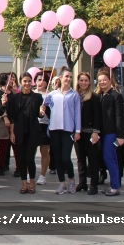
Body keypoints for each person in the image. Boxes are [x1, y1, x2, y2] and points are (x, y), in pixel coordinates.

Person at [42, 67, 81, 195]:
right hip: (54, 129)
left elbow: (77, 114)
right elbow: (43, 106)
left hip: (68, 130)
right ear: (60, 78)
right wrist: (42, 108)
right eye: (66, 77)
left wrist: (78, 131)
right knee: (57, 157)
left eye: (70, 77)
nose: (68, 79)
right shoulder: (52, 94)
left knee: (65, 157)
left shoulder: (74, 94)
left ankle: (71, 179)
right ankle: (62, 183)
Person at [8, 72, 44, 194]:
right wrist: (12, 133)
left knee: (29, 158)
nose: (27, 83)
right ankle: (24, 184)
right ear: (21, 82)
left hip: (32, 131)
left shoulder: (37, 97)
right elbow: (12, 117)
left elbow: (40, 114)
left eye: (29, 81)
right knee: (21, 159)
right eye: (25, 81)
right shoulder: (15, 98)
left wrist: (41, 112)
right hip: (19, 131)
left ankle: (32, 182)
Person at [96, 69, 124, 196]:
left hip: (112, 133)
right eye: (100, 80)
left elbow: (119, 116)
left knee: (110, 159)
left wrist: (120, 135)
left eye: (104, 80)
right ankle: (113, 185)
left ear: (110, 80)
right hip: (101, 133)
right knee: (106, 159)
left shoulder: (116, 95)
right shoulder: (100, 95)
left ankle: (115, 187)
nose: (102, 82)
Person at [73, 72, 102, 195]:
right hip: (78, 133)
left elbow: (97, 116)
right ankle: (82, 182)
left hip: (90, 133)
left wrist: (95, 132)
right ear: (78, 81)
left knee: (92, 159)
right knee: (80, 159)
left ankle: (94, 184)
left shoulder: (94, 97)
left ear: (89, 82)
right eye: (81, 80)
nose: (83, 82)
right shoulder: (75, 96)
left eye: (86, 80)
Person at [35, 72, 52, 185]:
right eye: (39, 79)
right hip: (33, 125)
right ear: (35, 81)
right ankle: (29, 173)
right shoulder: (31, 93)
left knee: (44, 151)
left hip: (45, 125)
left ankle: (42, 175)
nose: (41, 82)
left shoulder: (50, 95)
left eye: (44, 79)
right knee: (30, 151)